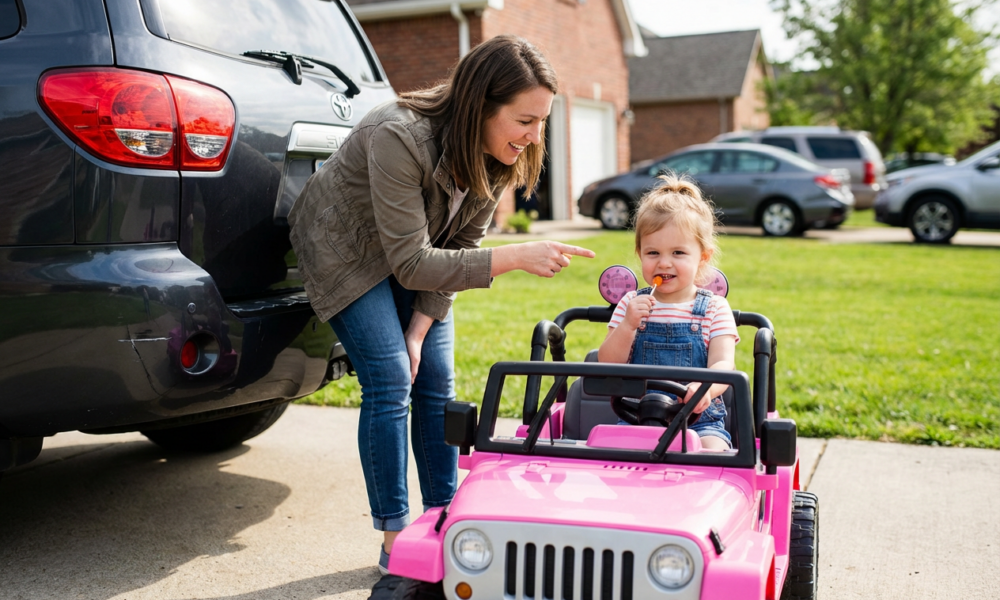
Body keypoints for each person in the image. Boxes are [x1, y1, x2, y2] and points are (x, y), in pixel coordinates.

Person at [287, 35, 594, 574]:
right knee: (389, 377)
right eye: (526, 120)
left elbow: (455, 250)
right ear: (482, 106)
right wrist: (516, 255)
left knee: (435, 377)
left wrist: (418, 330)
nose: (535, 135)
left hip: (414, 249)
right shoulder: (398, 135)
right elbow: (413, 264)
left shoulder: (499, 153)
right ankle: (395, 536)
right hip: (345, 248)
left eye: (542, 121)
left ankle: (444, 518)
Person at [598, 174, 737, 450]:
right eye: (653, 253)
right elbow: (607, 364)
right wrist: (627, 326)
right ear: (640, 254)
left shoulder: (714, 307)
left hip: (699, 421)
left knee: (712, 451)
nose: (664, 263)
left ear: (703, 257)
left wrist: (705, 388)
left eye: (678, 253)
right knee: (614, 453)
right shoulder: (629, 304)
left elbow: (724, 364)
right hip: (635, 418)